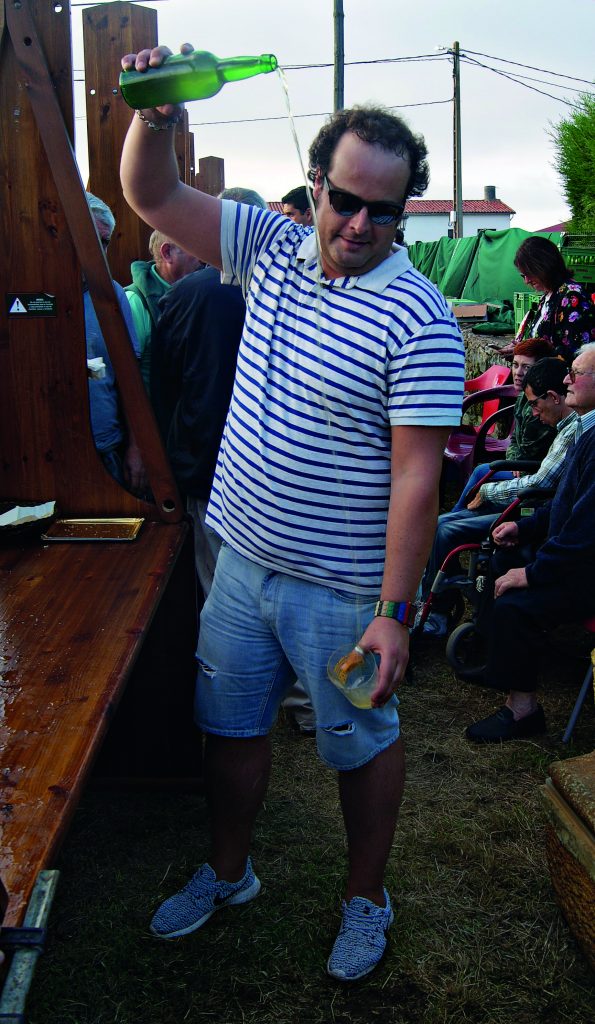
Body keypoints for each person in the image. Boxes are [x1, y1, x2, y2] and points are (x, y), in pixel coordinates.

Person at [121, 42, 465, 982]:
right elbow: (151, 195)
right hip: (240, 567)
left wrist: (392, 615)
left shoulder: (421, 319)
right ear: (315, 185)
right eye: (343, 199)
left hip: (343, 591)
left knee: (358, 744)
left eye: (382, 209)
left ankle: (365, 899)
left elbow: (416, 482)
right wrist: (155, 115)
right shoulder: (267, 248)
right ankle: (229, 873)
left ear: (404, 209)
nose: (357, 224)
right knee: (228, 726)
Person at [153, 186, 317, 736]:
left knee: (220, 586)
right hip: (281, 471)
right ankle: (302, 702)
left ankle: (237, 697)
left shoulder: (188, 295)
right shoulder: (295, 290)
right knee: (289, 587)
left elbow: (165, 385)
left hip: (208, 464)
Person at [465, 342, 595, 742]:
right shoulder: (587, 428)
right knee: (501, 561)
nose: (567, 379)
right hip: (574, 562)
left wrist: (534, 574)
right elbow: (564, 502)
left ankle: (523, 712)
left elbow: (585, 532)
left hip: (586, 573)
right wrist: (524, 528)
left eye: (576, 373)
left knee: (515, 604)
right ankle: (500, 665)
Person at [420, 357, 578, 636]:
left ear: (553, 397)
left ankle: (439, 612)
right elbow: (523, 452)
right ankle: (439, 590)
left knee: (444, 529)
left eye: (535, 405)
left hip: (532, 510)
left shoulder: (573, 430)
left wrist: (487, 491)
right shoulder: (564, 424)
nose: (533, 412)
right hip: (530, 499)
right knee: (444, 521)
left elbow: (541, 482)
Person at [451, 338, 557, 513]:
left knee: (481, 472)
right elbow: (514, 440)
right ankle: (459, 514)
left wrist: (517, 462)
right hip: (519, 467)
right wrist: (514, 460)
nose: (518, 373)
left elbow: (531, 453)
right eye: (515, 365)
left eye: (526, 367)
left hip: (533, 474)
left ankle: (457, 515)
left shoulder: (542, 406)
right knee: (481, 474)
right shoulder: (523, 397)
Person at [84, 192, 145, 493]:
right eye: (89, 239)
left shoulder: (112, 295)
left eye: (104, 242)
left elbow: (129, 376)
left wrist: (136, 447)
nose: (98, 250)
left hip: (106, 447)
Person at [125, 231, 203, 392]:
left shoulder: (200, 294)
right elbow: (125, 377)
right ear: (167, 252)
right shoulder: (135, 302)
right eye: (195, 247)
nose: (203, 257)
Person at [507, 236, 595, 363]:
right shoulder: (548, 296)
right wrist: (521, 349)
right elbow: (544, 343)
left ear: (544, 266)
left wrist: (532, 352)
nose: (526, 281)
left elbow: (576, 352)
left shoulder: (572, 296)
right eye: (523, 275)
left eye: (529, 273)